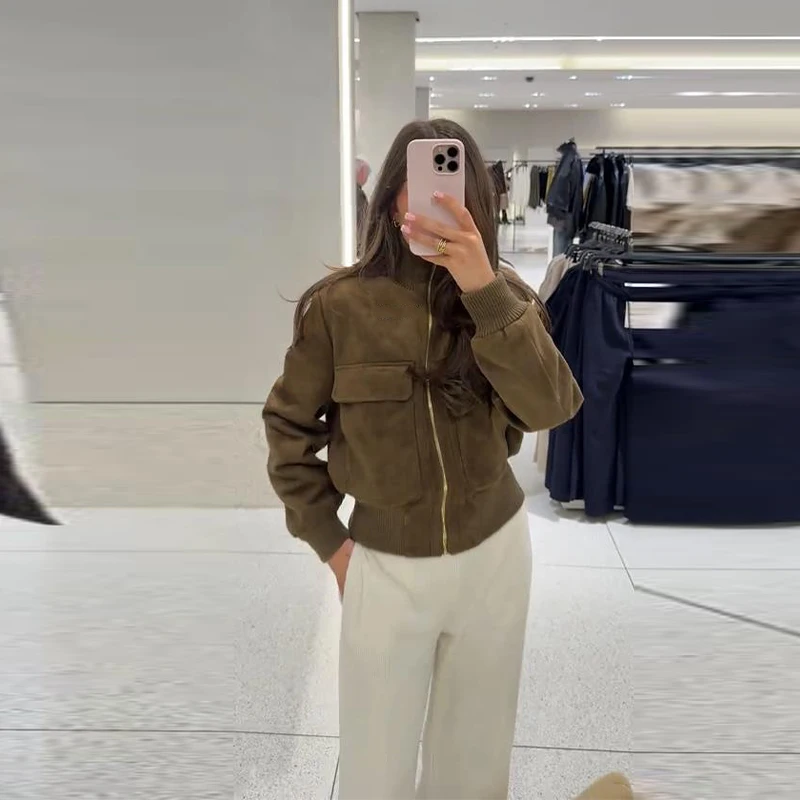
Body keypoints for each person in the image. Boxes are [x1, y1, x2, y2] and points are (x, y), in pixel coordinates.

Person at [263, 118, 583, 800]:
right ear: (391, 200)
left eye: (452, 185)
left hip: (495, 553)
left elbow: (552, 408)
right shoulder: (338, 307)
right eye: (422, 183)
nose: (438, 199)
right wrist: (332, 546)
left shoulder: (507, 299)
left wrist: (483, 291)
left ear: (475, 201)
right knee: (375, 759)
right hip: (385, 562)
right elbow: (288, 430)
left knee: (476, 752)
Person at [355, 157, 370, 246]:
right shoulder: (358, 194)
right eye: (367, 174)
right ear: (361, 172)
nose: (367, 178)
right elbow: (363, 221)